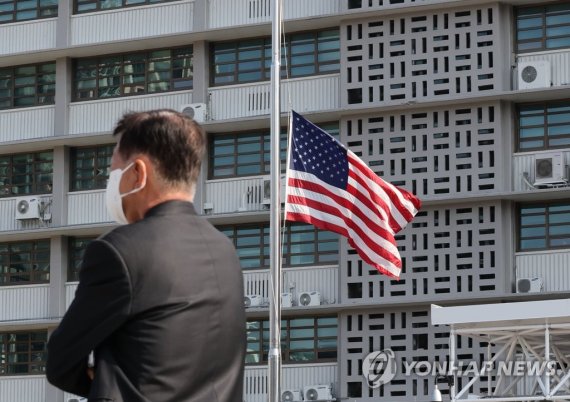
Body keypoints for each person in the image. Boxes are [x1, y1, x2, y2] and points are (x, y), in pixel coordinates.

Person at [46, 109, 246, 402]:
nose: (111, 182)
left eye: (114, 171)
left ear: (138, 173)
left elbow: (61, 361)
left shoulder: (119, 251)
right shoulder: (224, 249)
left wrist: (106, 382)